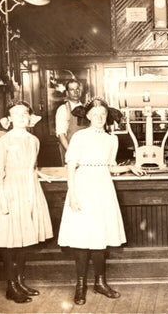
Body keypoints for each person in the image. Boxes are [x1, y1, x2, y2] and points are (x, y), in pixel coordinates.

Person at [57, 97, 146, 305]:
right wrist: (72, 194)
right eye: (95, 114)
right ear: (87, 116)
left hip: (103, 188)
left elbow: (109, 166)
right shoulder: (79, 137)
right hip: (82, 186)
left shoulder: (111, 139)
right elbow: (71, 166)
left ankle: (100, 282)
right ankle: (80, 285)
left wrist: (129, 167)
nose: (99, 117)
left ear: (107, 117)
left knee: (99, 237)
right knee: (81, 239)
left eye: (103, 114)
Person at [0, 101, 54, 303]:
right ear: (9, 119)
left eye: (25, 113)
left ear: (30, 117)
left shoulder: (34, 140)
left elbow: (30, 166)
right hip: (11, 191)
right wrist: (2, 195)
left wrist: (38, 173)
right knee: (10, 240)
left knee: (24, 238)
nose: (21, 117)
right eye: (16, 114)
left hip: (30, 190)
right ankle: (11, 286)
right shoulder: (4, 141)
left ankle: (19, 281)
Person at [55, 79, 86, 166]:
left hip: (86, 151)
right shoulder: (63, 109)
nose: (75, 92)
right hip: (70, 151)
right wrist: (71, 153)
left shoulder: (87, 109)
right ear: (67, 93)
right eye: (72, 90)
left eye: (77, 89)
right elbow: (61, 134)